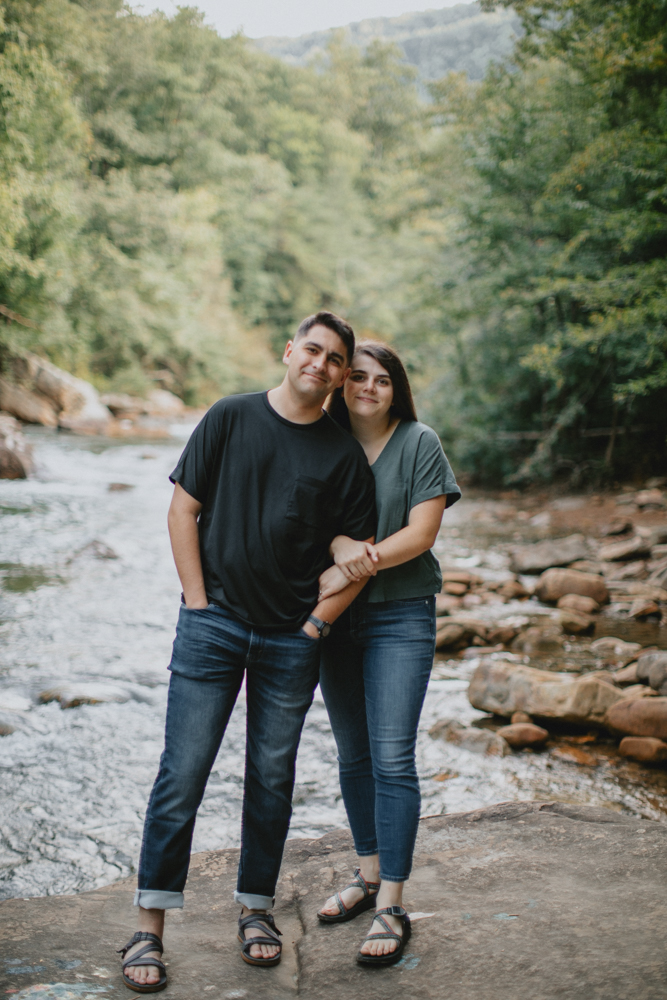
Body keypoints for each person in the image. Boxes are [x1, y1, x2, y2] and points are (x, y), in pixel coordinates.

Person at [118, 312, 377, 992]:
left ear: (342, 376)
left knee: (270, 779)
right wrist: (198, 602)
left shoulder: (342, 456)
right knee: (182, 775)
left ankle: (255, 911)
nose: (319, 364)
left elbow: (355, 559)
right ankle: (149, 927)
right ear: (289, 351)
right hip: (213, 626)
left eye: (334, 360)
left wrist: (316, 628)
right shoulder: (230, 417)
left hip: (290, 641)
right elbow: (182, 510)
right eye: (311, 349)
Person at [315, 340, 460, 966]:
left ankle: (392, 904)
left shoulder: (419, 442)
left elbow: (422, 535)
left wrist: (355, 558)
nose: (369, 388)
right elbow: (303, 520)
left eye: (382, 379)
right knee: (353, 754)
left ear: (395, 387)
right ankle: (367, 872)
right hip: (336, 620)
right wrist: (341, 543)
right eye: (358, 378)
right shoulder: (320, 440)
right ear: (341, 384)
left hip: (401, 615)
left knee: (393, 757)